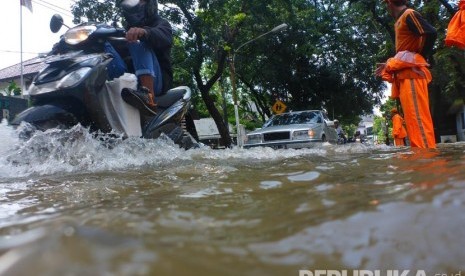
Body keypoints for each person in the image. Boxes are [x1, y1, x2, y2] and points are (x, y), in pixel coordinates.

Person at [375, 0, 437, 149]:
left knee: (418, 120)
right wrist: (394, 63)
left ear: (389, 2)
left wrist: (418, 57)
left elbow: (431, 33)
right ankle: (420, 161)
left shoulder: (409, 14)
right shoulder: (400, 21)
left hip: (412, 76)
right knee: (413, 121)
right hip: (405, 76)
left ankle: (427, 162)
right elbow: (405, 53)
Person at [106, 0, 173, 116]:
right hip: (130, 81)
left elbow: (165, 37)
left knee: (137, 41)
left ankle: (148, 97)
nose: (133, 5)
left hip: (157, 81)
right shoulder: (124, 32)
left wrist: (145, 32)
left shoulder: (161, 23)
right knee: (104, 47)